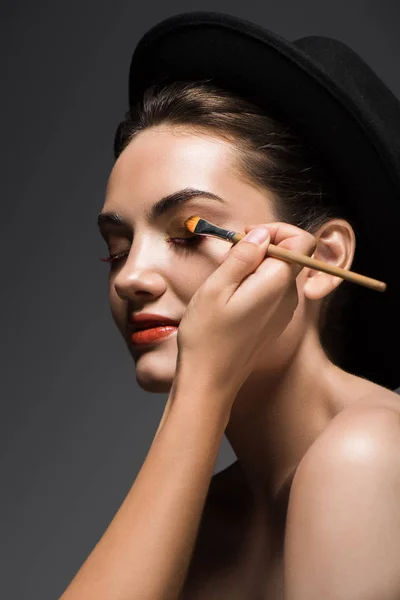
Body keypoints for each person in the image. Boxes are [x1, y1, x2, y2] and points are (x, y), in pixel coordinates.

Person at [59, 11, 400, 600]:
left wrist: (202, 383)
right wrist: (202, 393)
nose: (132, 277)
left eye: (190, 233)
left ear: (323, 261)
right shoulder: (203, 517)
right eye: (115, 249)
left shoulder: (368, 456)